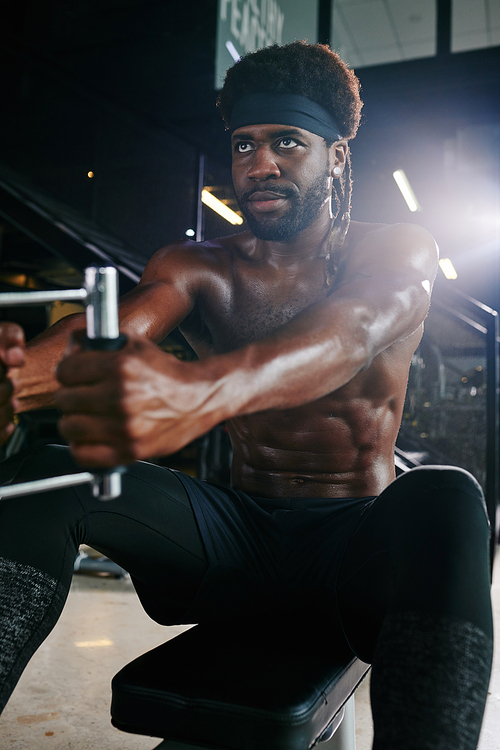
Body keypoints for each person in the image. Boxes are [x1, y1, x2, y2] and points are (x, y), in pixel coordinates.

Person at [0, 41, 493, 749]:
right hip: (234, 543)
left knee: (447, 497)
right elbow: (107, 335)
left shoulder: (396, 249)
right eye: (244, 145)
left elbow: (349, 334)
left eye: (286, 143)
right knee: (50, 476)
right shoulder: (198, 267)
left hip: (353, 546)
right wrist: (15, 380)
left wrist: (201, 390)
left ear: (337, 157)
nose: (259, 165)